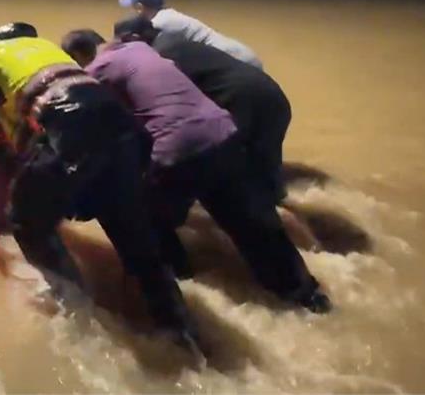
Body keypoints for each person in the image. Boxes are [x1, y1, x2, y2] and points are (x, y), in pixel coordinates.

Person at [0, 23, 204, 353]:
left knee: (25, 219)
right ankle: (181, 330)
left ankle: (76, 312)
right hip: (125, 132)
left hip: (71, 129)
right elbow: (33, 112)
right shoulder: (49, 53)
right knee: (129, 230)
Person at [61, 29, 331, 313]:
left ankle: (186, 288)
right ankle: (307, 296)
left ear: (79, 56)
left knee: (147, 218)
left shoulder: (97, 70)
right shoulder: (141, 50)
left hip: (178, 148)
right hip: (223, 133)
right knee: (254, 224)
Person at [113, 15, 290, 202]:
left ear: (133, 38)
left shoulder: (158, 56)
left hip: (243, 102)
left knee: (232, 172)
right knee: (266, 169)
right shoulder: (178, 42)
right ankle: (298, 212)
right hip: (272, 95)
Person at [118, 0, 263, 68]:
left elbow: (152, 60)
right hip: (241, 53)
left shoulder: (159, 24)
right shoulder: (170, 15)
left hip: (236, 61)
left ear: (139, 7)